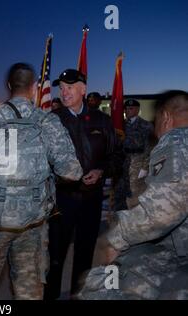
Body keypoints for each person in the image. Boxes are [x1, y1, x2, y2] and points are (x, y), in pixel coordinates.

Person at [0, 63, 82, 299]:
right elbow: (72, 172)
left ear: (9, 86)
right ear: (34, 87)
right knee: (29, 292)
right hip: (33, 223)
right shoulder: (48, 121)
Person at [77, 90, 188, 300]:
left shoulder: (177, 139)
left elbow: (161, 213)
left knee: (105, 282)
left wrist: (114, 239)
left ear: (165, 117)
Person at [44, 69, 121, 299]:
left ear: (83, 89)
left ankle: (78, 295)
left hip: (91, 199)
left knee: (85, 253)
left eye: (69, 87)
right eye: (62, 88)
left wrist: (101, 171)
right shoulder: (53, 120)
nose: (64, 92)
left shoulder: (102, 120)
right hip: (62, 198)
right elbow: (42, 158)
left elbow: (117, 156)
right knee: (55, 254)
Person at [120, 99, 154, 209]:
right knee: (121, 191)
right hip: (123, 162)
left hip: (138, 163)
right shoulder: (121, 124)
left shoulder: (146, 125)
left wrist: (145, 167)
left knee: (135, 191)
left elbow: (150, 147)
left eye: (131, 108)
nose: (127, 111)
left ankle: (136, 217)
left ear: (137, 109)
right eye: (126, 109)